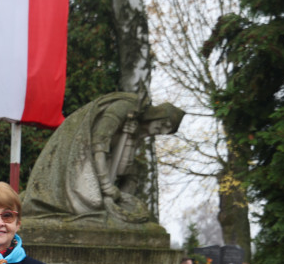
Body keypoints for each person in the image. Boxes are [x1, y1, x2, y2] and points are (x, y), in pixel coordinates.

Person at [22, 93, 185, 223]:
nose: (162, 131)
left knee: (130, 175)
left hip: (100, 167)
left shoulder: (137, 129)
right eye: (165, 125)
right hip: (82, 158)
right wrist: (106, 185)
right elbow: (98, 144)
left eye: (167, 131)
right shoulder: (124, 107)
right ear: (159, 114)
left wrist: (119, 197)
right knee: (93, 204)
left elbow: (123, 168)